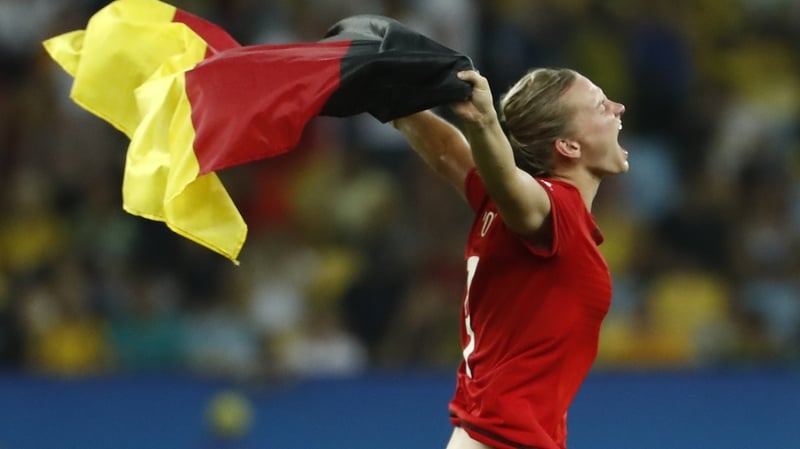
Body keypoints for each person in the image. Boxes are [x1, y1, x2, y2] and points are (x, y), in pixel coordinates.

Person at [392, 68, 628, 449]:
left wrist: (393, 100)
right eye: (601, 105)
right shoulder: (554, 208)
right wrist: (483, 120)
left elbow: (447, 152)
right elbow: (508, 184)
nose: (618, 108)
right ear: (568, 146)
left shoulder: (501, 203)